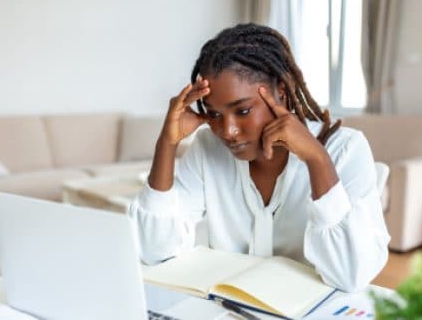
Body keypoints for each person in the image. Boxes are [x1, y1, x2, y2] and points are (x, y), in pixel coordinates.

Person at [129, 23, 390, 292]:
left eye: (242, 111)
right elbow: (154, 252)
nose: (227, 132)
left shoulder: (346, 149)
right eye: (215, 114)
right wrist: (167, 144)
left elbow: (350, 276)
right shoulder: (208, 146)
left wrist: (316, 158)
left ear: (282, 94)